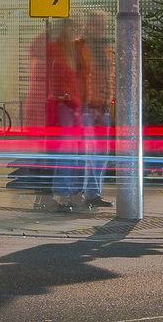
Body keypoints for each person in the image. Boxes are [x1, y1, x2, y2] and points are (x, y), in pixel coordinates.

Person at [45, 19, 82, 209]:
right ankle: (62, 194)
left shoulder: (70, 52)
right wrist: (65, 98)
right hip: (65, 106)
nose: (75, 31)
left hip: (71, 107)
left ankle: (65, 192)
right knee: (67, 153)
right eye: (72, 28)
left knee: (71, 153)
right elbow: (57, 81)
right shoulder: (58, 51)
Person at [79, 12, 114, 208]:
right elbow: (82, 78)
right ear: (88, 24)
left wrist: (108, 102)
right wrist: (88, 103)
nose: (101, 27)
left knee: (101, 152)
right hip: (87, 107)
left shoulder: (107, 49)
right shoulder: (81, 47)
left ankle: (93, 193)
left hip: (103, 107)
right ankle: (85, 193)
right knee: (88, 152)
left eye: (103, 24)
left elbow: (110, 77)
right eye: (97, 24)